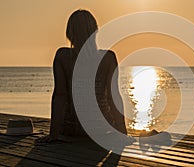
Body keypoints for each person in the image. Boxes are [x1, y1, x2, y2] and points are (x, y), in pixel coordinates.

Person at [37, 9, 127, 142]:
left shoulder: (63, 57)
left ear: (69, 33)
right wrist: (122, 133)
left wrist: (53, 134)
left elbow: (60, 97)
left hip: (71, 129)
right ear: (95, 31)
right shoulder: (108, 58)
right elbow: (113, 97)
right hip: (101, 129)